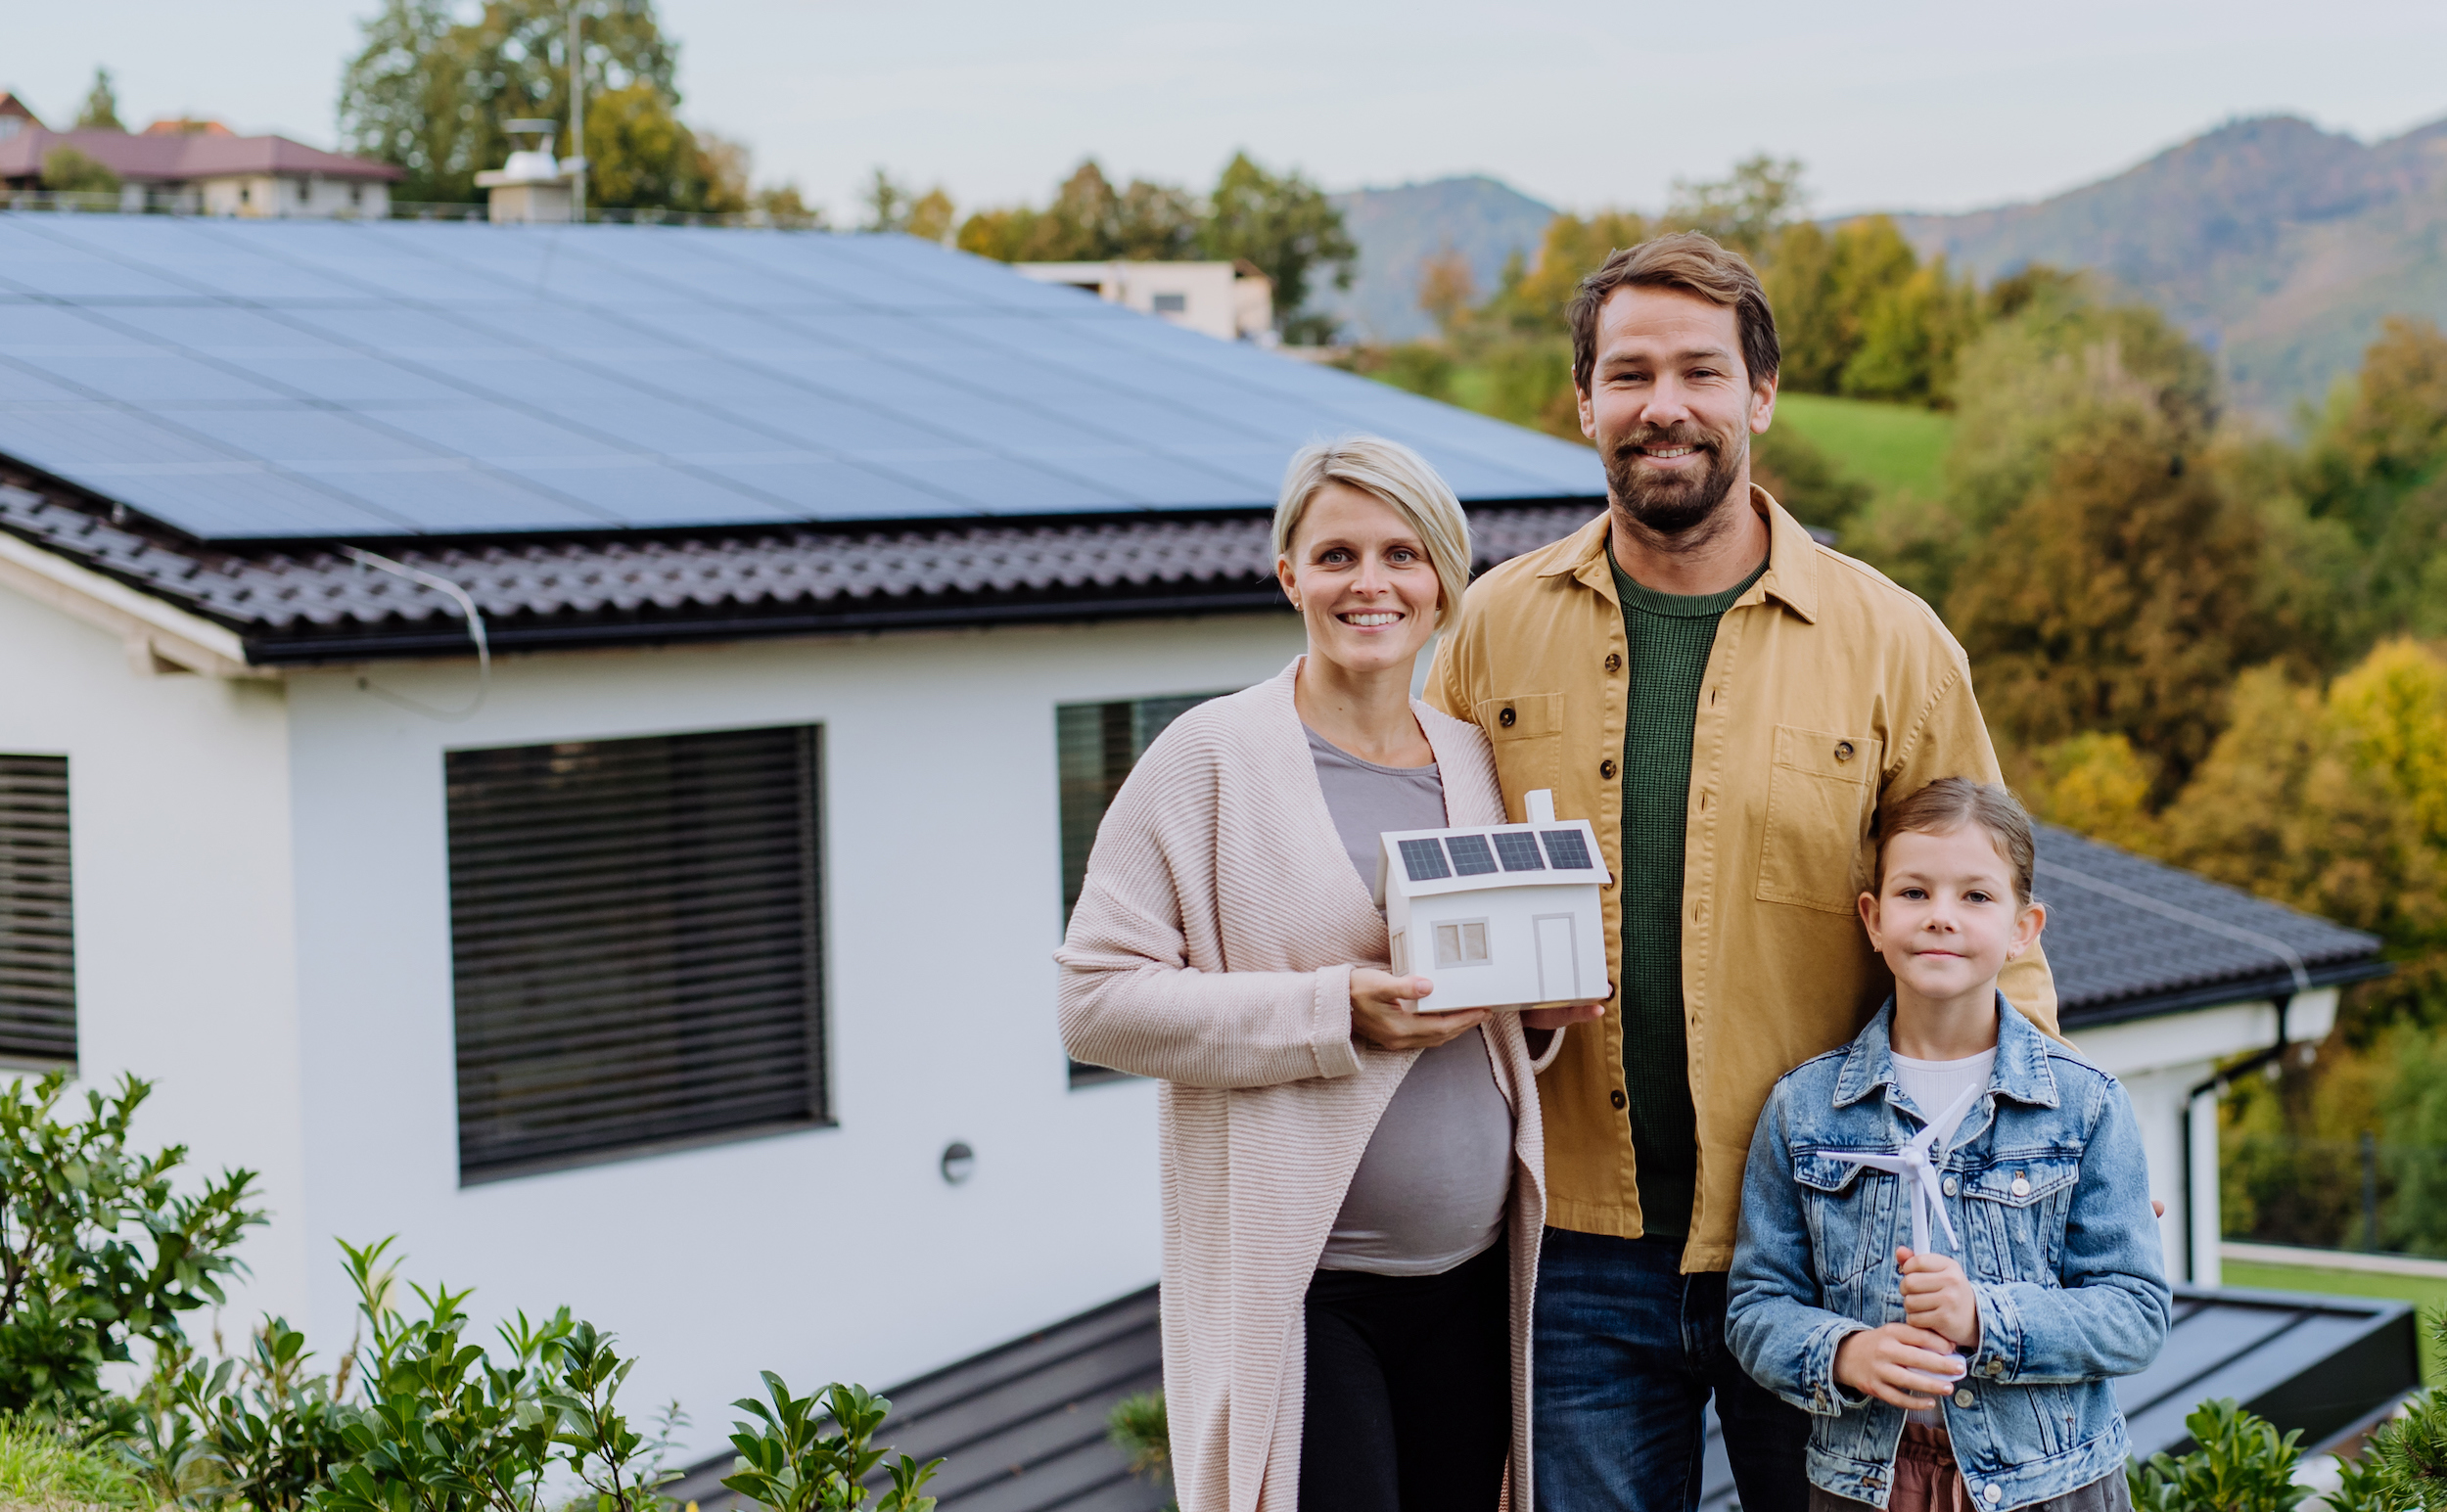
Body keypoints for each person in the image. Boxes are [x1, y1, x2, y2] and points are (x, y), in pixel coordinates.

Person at [1424, 230, 2059, 1512]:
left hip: (1839, 1249)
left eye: (1703, 372)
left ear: (1759, 395)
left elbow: (1996, 945)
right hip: (1576, 1256)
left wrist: (2012, 1246)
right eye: (1632, 372)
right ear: (1586, 400)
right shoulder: (1491, 628)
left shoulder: (1893, 646)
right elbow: (1423, 886)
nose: (1666, 404)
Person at [1058, 435, 1595, 1512]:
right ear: (1288, 575)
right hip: (1306, 1286)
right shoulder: (1207, 760)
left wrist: (1533, 1011)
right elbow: (1093, 1005)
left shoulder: (1473, 761)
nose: (1370, 583)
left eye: (1401, 554)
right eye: (1337, 554)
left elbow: (1474, 992)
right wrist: (1328, 1013)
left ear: (1442, 581)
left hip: (1475, 1279)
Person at [1727, 779, 2169, 1512]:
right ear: (1872, 917)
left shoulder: (2086, 1103)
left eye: (1975, 897)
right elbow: (1755, 1304)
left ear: (2024, 927)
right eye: (1913, 892)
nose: (1940, 917)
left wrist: (1983, 1317)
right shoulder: (1803, 1107)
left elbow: (2135, 1313)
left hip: (2052, 1484)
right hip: (1865, 1485)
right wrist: (1845, 1352)